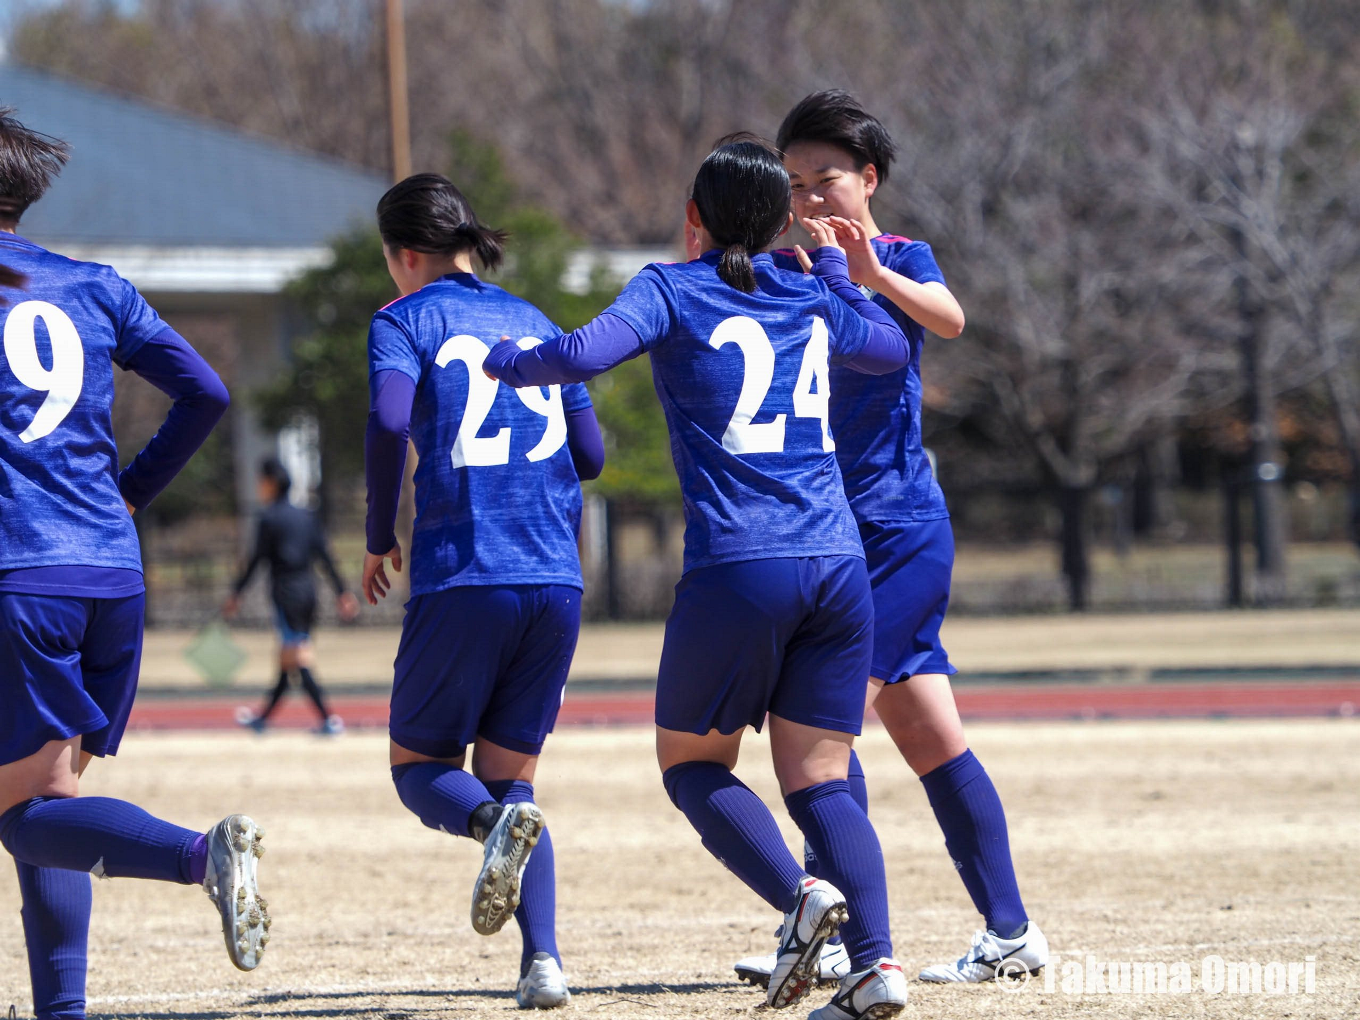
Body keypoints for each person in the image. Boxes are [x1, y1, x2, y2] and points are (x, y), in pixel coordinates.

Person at [485, 138, 913, 1020]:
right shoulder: (807, 290)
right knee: (823, 779)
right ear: (781, 218)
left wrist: (510, 364)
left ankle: (799, 896)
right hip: (838, 564)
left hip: (741, 564)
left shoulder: (670, 288)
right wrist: (836, 272)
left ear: (694, 217)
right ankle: (877, 967)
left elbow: (580, 354)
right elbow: (888, 352)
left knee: (690, 765)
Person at [730, 90, 1047, 988]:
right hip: (827, 532)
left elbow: (948, 319)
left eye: (825, 178)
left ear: (868, 179)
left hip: (898, 527)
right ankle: (1011, 934)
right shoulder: (786, 269)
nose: (808, 198)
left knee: (817, 733)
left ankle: (841, 937)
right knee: (929, 736)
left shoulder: (900, 256)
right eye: (793, 183)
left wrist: (870, 274)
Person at [0, 106, 269, 1020]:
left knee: (28, 812)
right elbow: (206, 391)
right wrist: (131, 493)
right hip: (109, 575)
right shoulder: (96, 286)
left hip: (21, 576)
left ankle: (200, 856)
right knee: (47, 801)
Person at [362, 173, 605, 1009]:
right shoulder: (537, 321)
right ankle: (544, 964)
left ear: (404, 254)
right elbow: (591, 455)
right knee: (513, 782)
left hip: (467, 569)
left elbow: (389, 419)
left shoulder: (403, 319)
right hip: (556, 577)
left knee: (420, 767)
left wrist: (377, 533)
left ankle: (488, 828)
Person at [225, 457, 359, 735]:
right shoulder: (307, 516)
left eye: (261, 481)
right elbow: (325, 557)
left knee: (298, 658)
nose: (258, 486)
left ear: (271, 483)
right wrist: (342, 592)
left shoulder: (269, 518)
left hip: (286, 595)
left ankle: (329, 720)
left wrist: (237, 593)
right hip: (309, 594)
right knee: (288, 660)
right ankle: (263, 719)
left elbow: (256, 560)